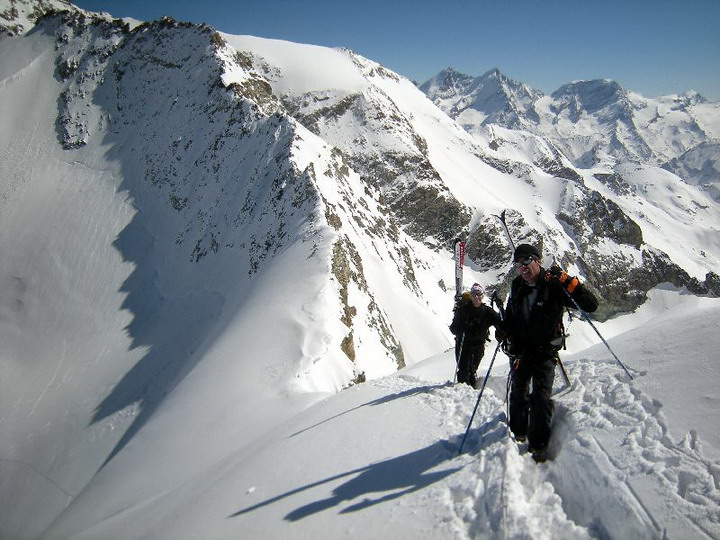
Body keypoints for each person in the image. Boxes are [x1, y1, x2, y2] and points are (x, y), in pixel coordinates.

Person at [500, 244, 598, 462]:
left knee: (541, 397)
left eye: (526, 261)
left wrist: (571, 284)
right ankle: (517, 431)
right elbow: (511, 314)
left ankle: (539, 444)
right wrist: (504, 333)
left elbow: (590, 306)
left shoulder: (553, 284)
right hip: (522, 350)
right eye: (518, 263)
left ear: (537, 260)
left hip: (545, 351)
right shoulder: (517, 286)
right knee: (518, 389)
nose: (523, 267)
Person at [450, 283, 502, 387]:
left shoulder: (487, 311)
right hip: (463, 345)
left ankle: (471, 389)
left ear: (482, 295)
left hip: (478, 346)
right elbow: (453, 328)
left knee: (472, 370)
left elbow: (499, 322)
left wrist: (501, 332)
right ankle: (463, 393)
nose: (476, 297)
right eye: (474, 294)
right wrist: (461, 328)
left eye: (478, 294)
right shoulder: (463, 310)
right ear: (471, 296)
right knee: (463, 371)